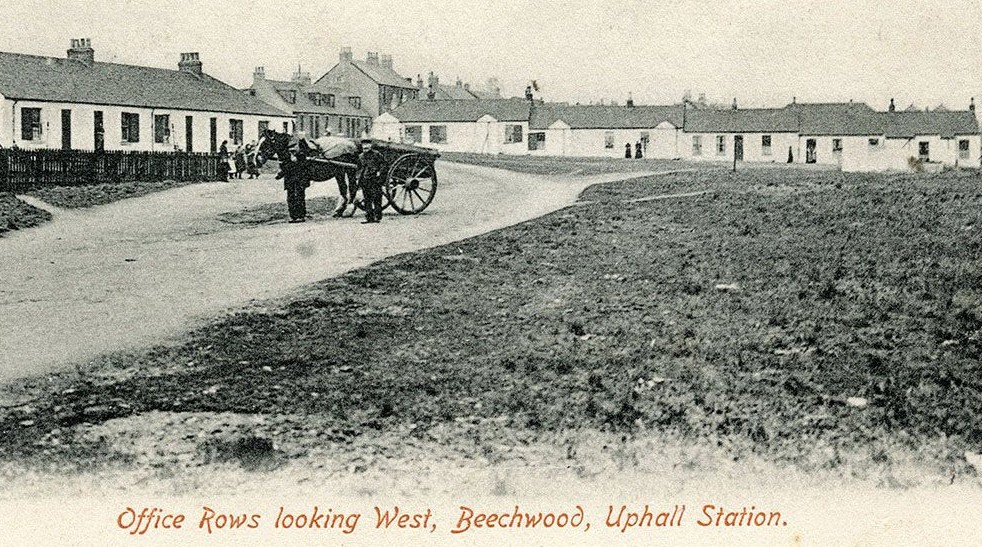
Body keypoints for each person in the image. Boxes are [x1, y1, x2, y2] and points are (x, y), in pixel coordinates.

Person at [283, 131, 312, 223]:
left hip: (300, 180)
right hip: (290, 181)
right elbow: (284, 168)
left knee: (300, 197)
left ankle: (301, 215)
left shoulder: (302, 156)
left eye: (294, 149)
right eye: (291, 150)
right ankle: (293, 216)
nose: (293, 151)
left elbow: (306, 154)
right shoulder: (287, 157)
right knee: (290, 198)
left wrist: (302, 139)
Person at [359, 139, 386, 224]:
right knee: (367, 199)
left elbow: (384, 164)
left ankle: (377, 216)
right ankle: (369, 217)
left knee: (377, 197)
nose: (365, 146)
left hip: (375, 179)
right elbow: (359, 168)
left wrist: (379, 172)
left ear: (370, 145)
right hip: (365, 179)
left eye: (367, 144)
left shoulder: (377, 154)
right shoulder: (361, 156)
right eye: (364, 145)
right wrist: (359, 178)